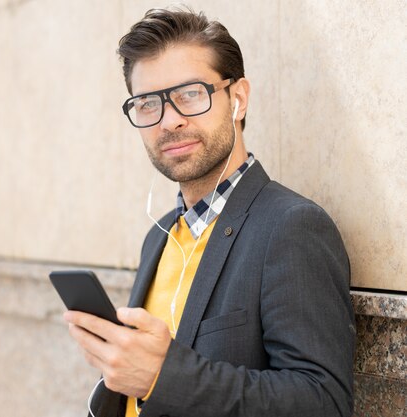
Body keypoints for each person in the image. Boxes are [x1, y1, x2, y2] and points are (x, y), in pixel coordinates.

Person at [63, 6, 355, 417]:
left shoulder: (291, 227)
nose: (169, 121)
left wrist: (161, 376)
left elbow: (322, 403)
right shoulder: (159, 236)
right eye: (148, 103)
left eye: (190, 95)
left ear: (237, 99)